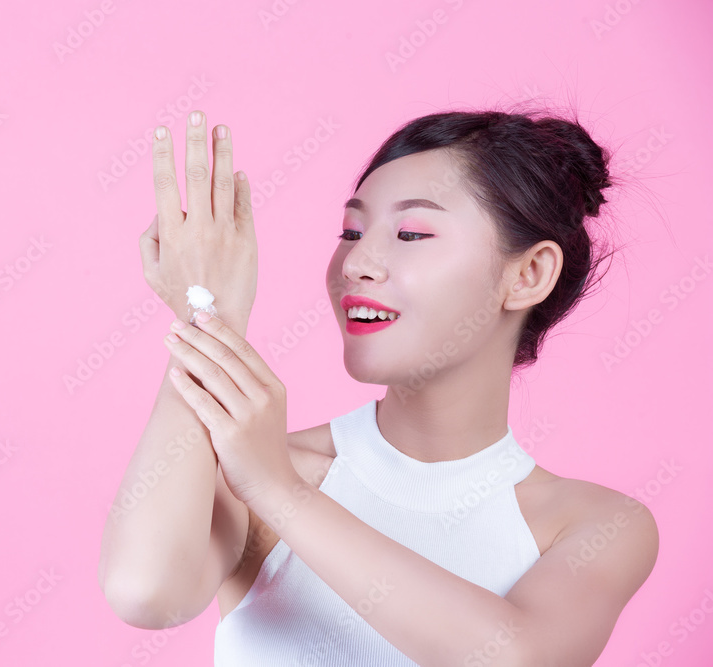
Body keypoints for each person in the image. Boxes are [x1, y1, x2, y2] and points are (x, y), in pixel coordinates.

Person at [98, 107, 659, 666]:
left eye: (411, 233)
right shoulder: (248, 465)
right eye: (351, 231)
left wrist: (278, 489)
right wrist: (206, 312)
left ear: (528, 274)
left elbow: (512, 657)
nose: (357, 262)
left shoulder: (597, 525)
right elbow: (145, 593)